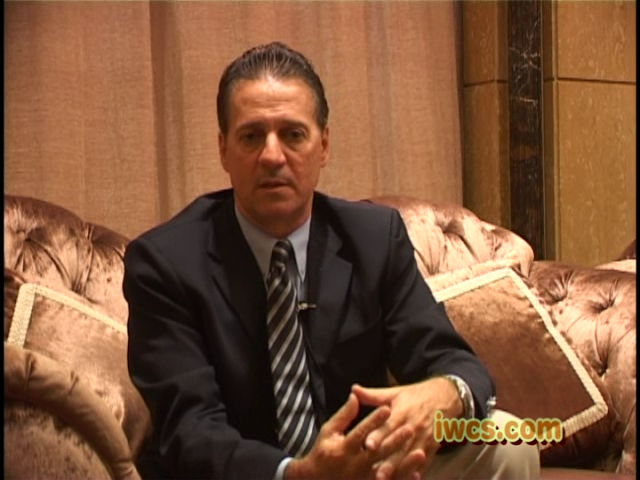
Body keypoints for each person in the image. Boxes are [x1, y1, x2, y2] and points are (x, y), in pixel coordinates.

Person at [124, 41, 540, 480]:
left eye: (293, 135)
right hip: (248, 474)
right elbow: (190, 433)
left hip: (361, 466)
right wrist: (296, 473)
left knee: (508, 441)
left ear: (323, 146)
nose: (272, 155)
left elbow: (453, 360)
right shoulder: (165, 263)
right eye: (251, 136)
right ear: (223, 149)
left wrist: (445, 393)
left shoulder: (374, 239)